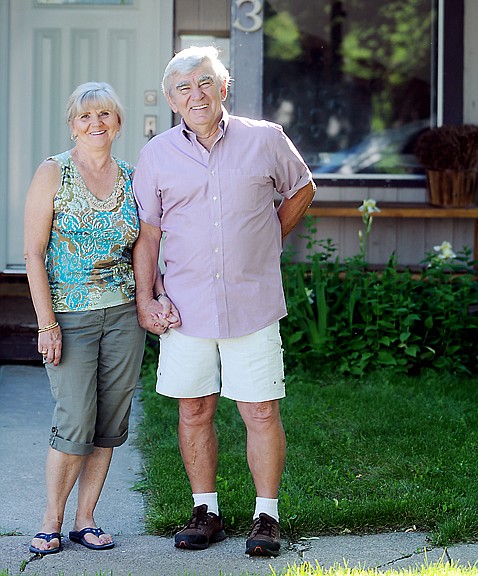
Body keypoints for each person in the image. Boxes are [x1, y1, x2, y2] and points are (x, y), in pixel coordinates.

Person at [132, 46, 316, 557]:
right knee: (194, 409)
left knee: (259, 411)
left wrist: (267, 239)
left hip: (252, 302)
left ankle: (266, 517)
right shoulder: (157, 155)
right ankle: (206, 510)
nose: (197, 94)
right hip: (185, 307)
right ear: (171, 99)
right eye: (185, 88)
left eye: (205, 83)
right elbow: (148, 236)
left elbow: (302, 189)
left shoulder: (265, 139)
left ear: (223, 88)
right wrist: (146, 300)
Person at [24, 82, 151, 556]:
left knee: (109, 423)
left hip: (122, 316)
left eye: (104, 115)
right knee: (75, 419)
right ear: (72, 124)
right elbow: (33, 255)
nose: (95, 124)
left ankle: (85, 519)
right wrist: (46, 323)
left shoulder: (131, 176)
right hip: (69, 314)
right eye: (85, 117)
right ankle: (50, 520)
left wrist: (146, 299)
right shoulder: (53, 172)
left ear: (118, 122)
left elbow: (142, 245)